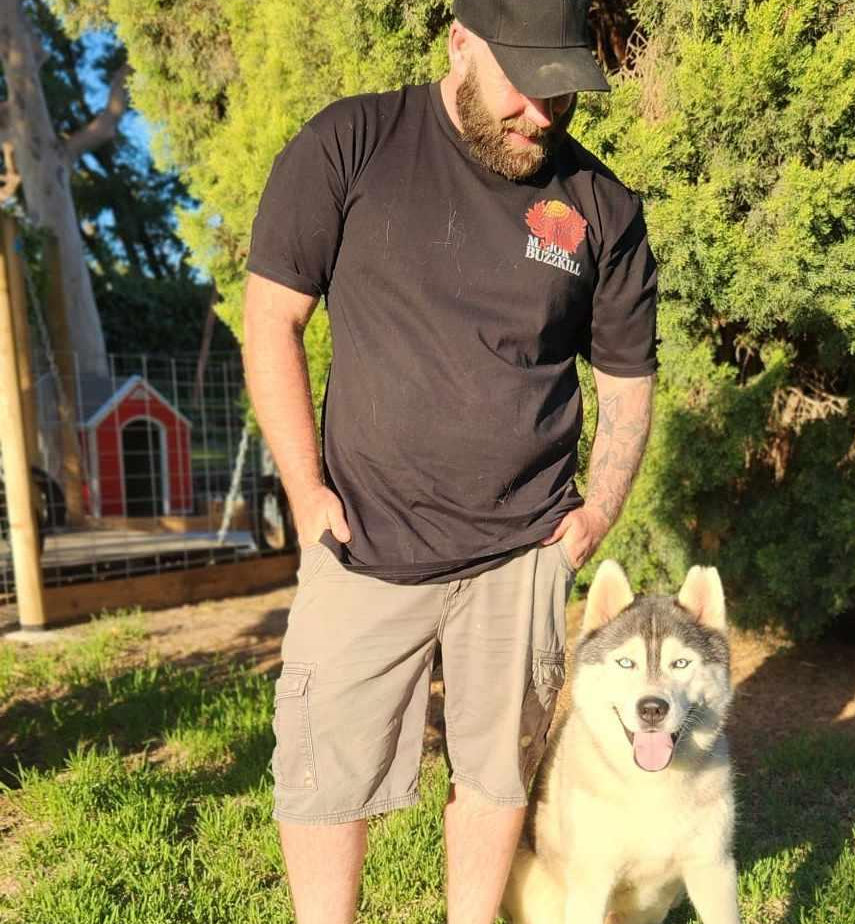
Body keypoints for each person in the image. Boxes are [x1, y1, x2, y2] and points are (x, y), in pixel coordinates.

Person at [242, 1, 657, 921]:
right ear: (461, 42)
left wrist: (596, 517)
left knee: (500, 770)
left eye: (564, 90)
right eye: (525, 83)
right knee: (324, 769)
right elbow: (272, 316)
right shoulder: (351, 144)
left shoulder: (603, 208)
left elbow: (628, 384)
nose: (544, 111)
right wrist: (306, 492)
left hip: (522, 552)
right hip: (363, 536)